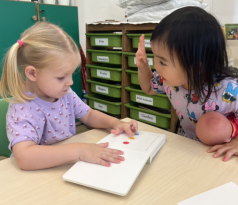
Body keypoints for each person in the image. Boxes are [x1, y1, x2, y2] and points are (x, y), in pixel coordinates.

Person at [0, 22, 138, 170]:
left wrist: (115, 123)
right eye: (61, 77)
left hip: (65, 166)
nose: (70, 82)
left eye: (71, 74)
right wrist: (79, 150)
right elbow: (25, 158)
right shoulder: (22, 107)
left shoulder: (65, 93)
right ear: (32, 73)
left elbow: (89, 115)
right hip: (35, 176)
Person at [136, 6, 238, 162]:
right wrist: (143, 67)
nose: (156, 66)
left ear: (196, 67)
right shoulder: (169, 82)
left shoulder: (231, 90)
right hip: (190, 149)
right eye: (154, 57)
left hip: (225, 155)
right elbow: (149, 88)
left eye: (162, 61)